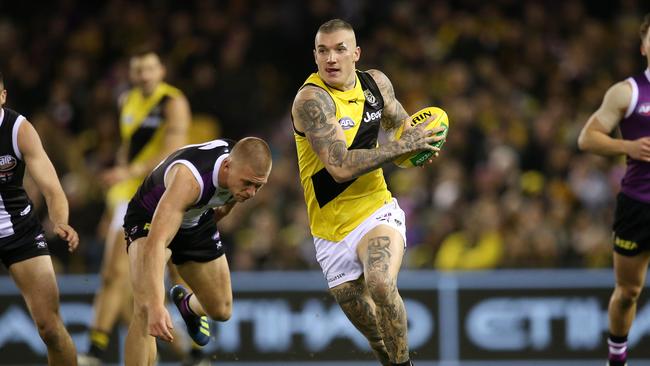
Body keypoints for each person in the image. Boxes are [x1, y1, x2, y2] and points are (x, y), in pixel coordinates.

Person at [290, 19, 444, 366]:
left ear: (356, 54)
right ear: (314, 56)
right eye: (323, 50)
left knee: (379, 282)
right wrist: (399, 146)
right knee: (375, 334)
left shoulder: (376, 84)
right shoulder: (311, 101)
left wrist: (421, 144)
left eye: (340, 49)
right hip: (329, 231)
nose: (331, 58)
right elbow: (340, 166)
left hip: (375, 210)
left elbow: (402, 124)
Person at [77, 49, 194, 365]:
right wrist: (111, 204)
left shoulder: (173, 102)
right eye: (138, 70)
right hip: (128, 197)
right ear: (132, 74)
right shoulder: (126, 101)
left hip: (161, 194)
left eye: (150, 69)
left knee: (163, 279)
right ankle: (97, 350)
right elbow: (127, 151)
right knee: (117, 278)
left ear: (161, 70)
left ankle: (188, 349)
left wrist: (126, 173)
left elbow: (173, 151)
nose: (144, 75)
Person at [122, 137, 272, 365]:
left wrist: (224, 210)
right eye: (248, 184)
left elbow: (223, 205)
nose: (251, 193)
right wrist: (155, 305)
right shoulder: (190, 179)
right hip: (149, 220)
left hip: (194, 219)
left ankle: (188, 307)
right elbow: (156, 243)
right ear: (227, 166)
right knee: (144, 310)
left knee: (221, 309)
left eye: (258, 186)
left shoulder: (239, 171)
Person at [577, 13, 650, 366]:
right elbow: (587, 138)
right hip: (638, 204)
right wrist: (629, 147)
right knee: (628, 292)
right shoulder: (628, 92)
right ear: (644, 45)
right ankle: (616, 357)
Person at [0, 72, 80, 364]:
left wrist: (61, 221)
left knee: (50, 328)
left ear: (3, 96)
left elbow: (52, 188)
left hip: (19, 230)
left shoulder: (19, 129)